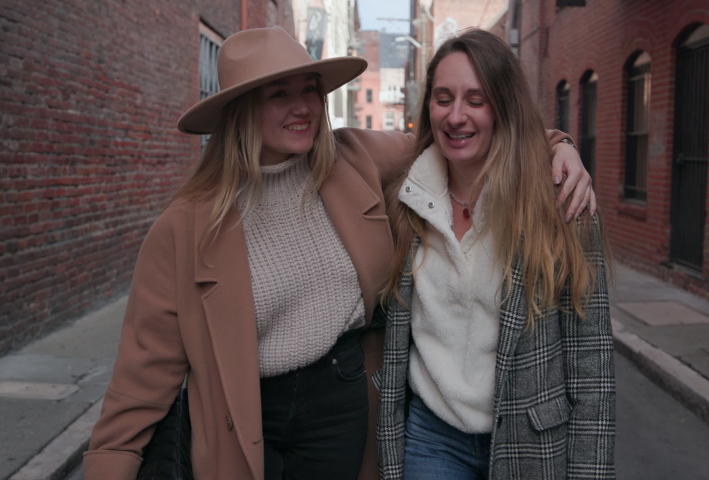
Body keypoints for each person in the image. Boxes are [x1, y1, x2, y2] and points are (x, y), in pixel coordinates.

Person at [82, 27, 594, 480]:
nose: (303, 106)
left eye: (310, 90)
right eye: (279, 94)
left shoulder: (352, 158)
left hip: (346, 403)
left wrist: (558, 145)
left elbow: (463, 135)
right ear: (241, 110)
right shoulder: (185, 227)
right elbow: (139, 383)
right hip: (244, 417)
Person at [376, 29, 615, 480]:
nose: (456, 116)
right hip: (433, 437)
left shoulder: (561, 204)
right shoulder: (406, 200)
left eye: (476, 99)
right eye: (443, 98)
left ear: (503, 105)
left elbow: (593, 371)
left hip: (533, 442)